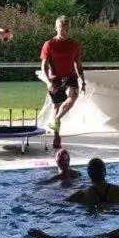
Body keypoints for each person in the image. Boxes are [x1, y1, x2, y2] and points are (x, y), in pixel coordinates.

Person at [39, 15, 85, 149]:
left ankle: (55, 120)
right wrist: (48, 82)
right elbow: (44, 65)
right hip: (55, 79)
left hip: (70, 77)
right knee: (57, 107)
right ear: (56, 28)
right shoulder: (49, 44)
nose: (63, 30)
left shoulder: (74, 44)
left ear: (68, 28)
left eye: (65, 28)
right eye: (61, 27)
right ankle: (56, 137)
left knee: (73, 96)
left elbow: (78, 64)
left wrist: (83, 81)